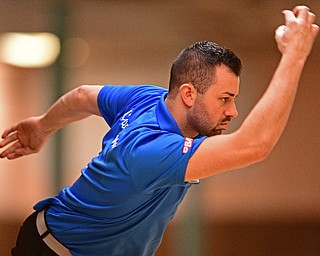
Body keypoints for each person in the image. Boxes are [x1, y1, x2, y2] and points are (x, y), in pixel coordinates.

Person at [0, 5, 318, 256]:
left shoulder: (149, 99)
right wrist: (294, 56)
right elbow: (254, 145)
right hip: (51, 249)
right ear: (188, 94)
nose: (232, 111)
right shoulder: (151, 151)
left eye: (233, 99)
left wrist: (42, 126)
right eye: (224, 99)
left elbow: (83, 95)